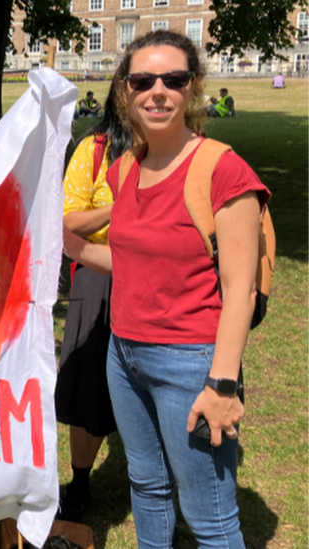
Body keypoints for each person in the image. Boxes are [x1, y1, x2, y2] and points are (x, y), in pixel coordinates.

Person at [65, 30, 268, 547]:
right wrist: (76, 248)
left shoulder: (222, 170)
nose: (157, 91)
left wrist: (222, 385)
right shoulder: (125, 167)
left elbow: (240, 289)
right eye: (142, 80)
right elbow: (133, 259)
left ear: (193, 88)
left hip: (190, 362)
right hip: (123, 355)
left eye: (173, 79)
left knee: (210, 518)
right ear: (125, 92)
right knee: (147, 487)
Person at [56, 76, 133, 523]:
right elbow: (69, 221)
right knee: (88, 385)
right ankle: (81, 482)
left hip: (156, 278)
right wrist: (118, 207)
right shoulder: (95, 149)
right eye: (137, 83)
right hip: (98, 277)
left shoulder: (178, 152)